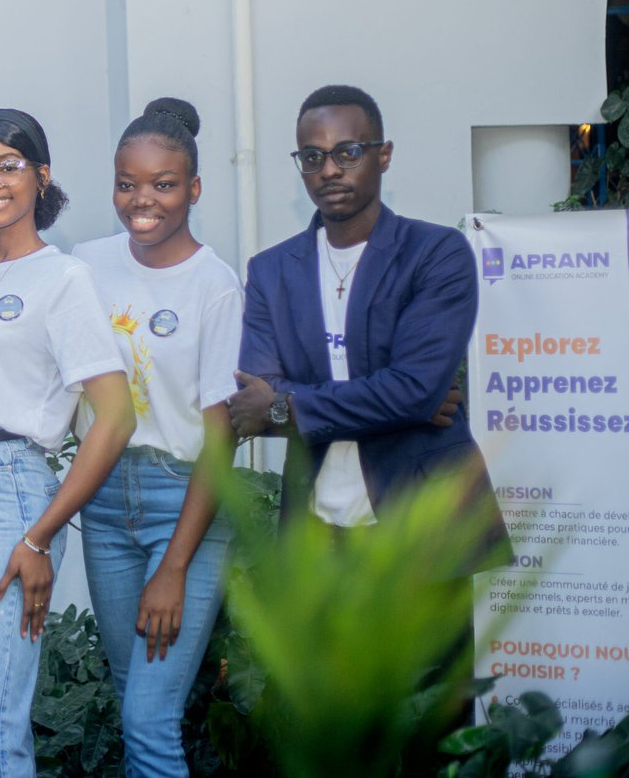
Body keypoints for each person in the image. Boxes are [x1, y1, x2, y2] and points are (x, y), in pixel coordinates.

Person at [0, 108, 136, 778]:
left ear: (41, 176)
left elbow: (115, 416)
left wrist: (41, 535)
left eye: (8, 166)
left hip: (12, 492)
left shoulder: (63, 279)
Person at [227, 85, 509, 559]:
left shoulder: (435, 254)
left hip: (427, 528)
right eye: (313, 156)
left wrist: (284, 405)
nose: (330, 169)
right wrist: (396, 400)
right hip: (315, 537)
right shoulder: (271, 271)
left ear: (384, 156)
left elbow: (413, 390)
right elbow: (254, 401)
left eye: (348, 152)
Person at [70, 98, 240, 778]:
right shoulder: (86, 264)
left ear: (193, 189)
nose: (142, 199)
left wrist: (174, 565)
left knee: (148, 718)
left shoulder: (216, 287)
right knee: (131, 698)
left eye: (163, 184)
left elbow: (222, 439)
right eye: (127, 182)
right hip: (105, 502)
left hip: (186, 503)